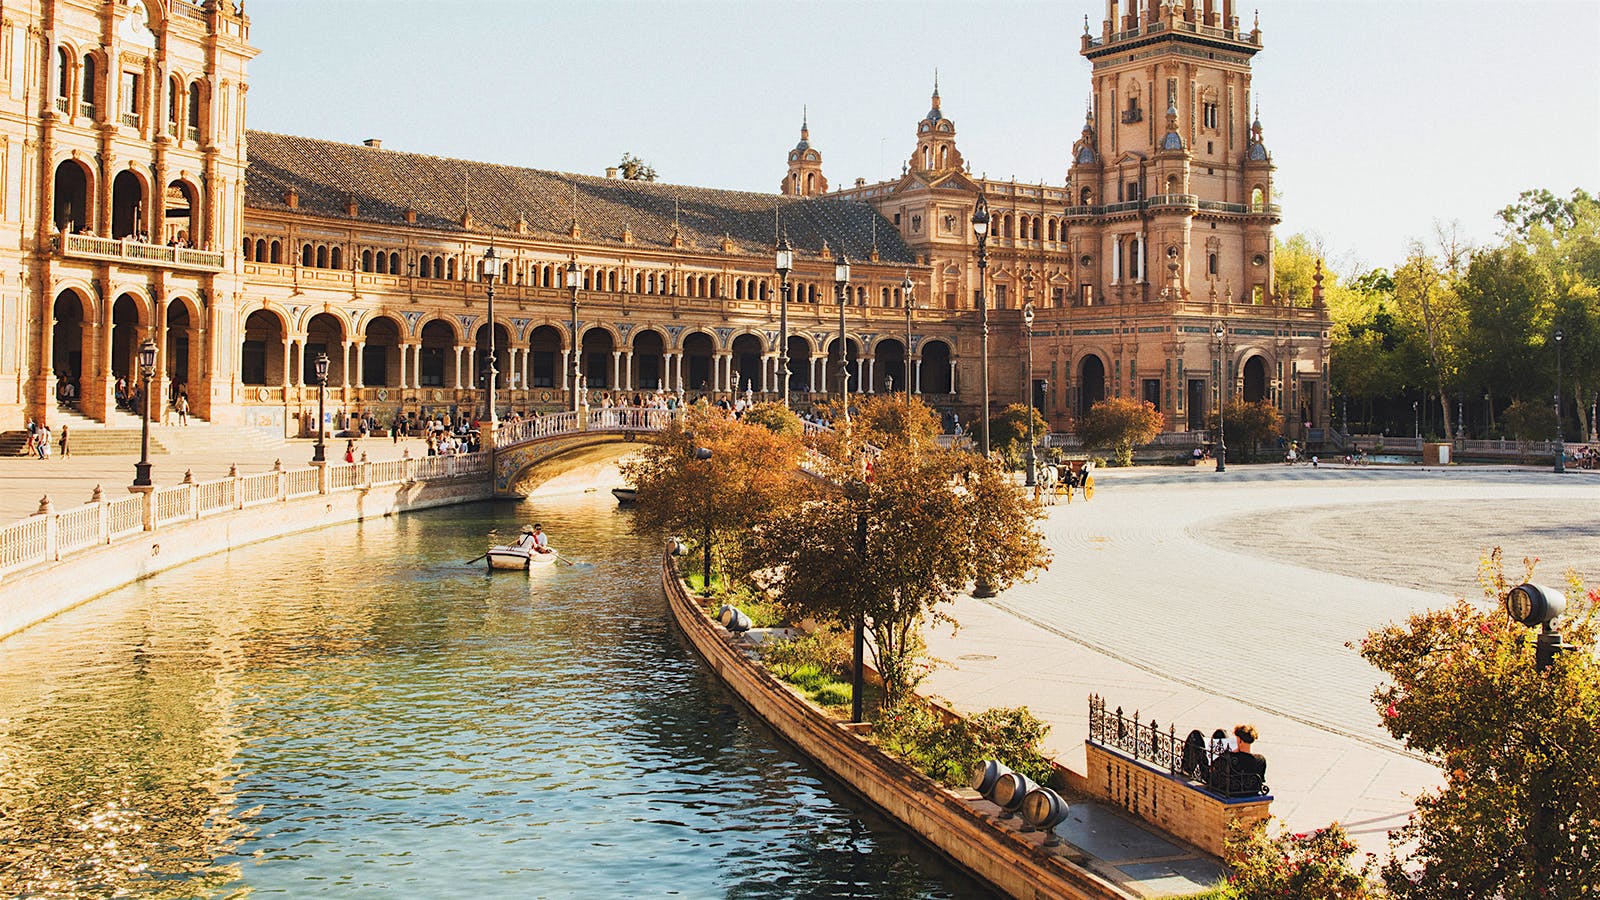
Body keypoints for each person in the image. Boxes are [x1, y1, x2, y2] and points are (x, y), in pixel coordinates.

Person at [1207, 723, 1268, 796]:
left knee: (1197, 736)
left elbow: (1212, 768)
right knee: (1221, 733)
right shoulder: (1260, 760)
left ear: (1239, 741)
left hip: (1230, 791)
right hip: (1250, 792)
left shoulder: (1229, 757)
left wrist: (1229, 753)